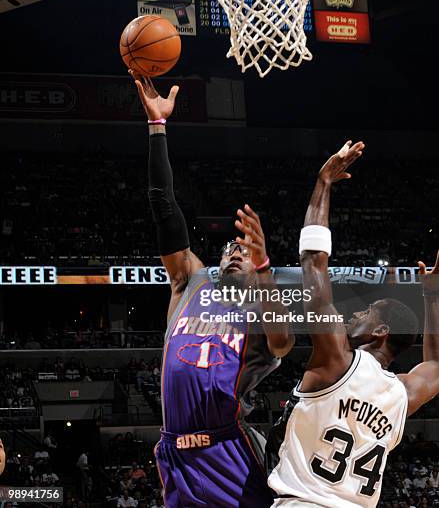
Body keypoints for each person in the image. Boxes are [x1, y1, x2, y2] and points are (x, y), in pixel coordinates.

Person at [131, 72, 294, 508]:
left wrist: (264, 267)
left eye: (247, 249)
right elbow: (164, 209)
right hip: (174, 453)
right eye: (232, 247)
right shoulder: (190, 281)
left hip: (228, 451)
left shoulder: (260, 306)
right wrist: (157, 128)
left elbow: (283, 342)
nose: (237, 252)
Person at [268, 140, 439, 508]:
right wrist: (432, 297)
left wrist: (323, 184)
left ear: (381, 332)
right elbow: (437, 366)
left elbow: (313, 267)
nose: (355, 314)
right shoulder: (400, 395)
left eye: (368, 311)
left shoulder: (338, 360)